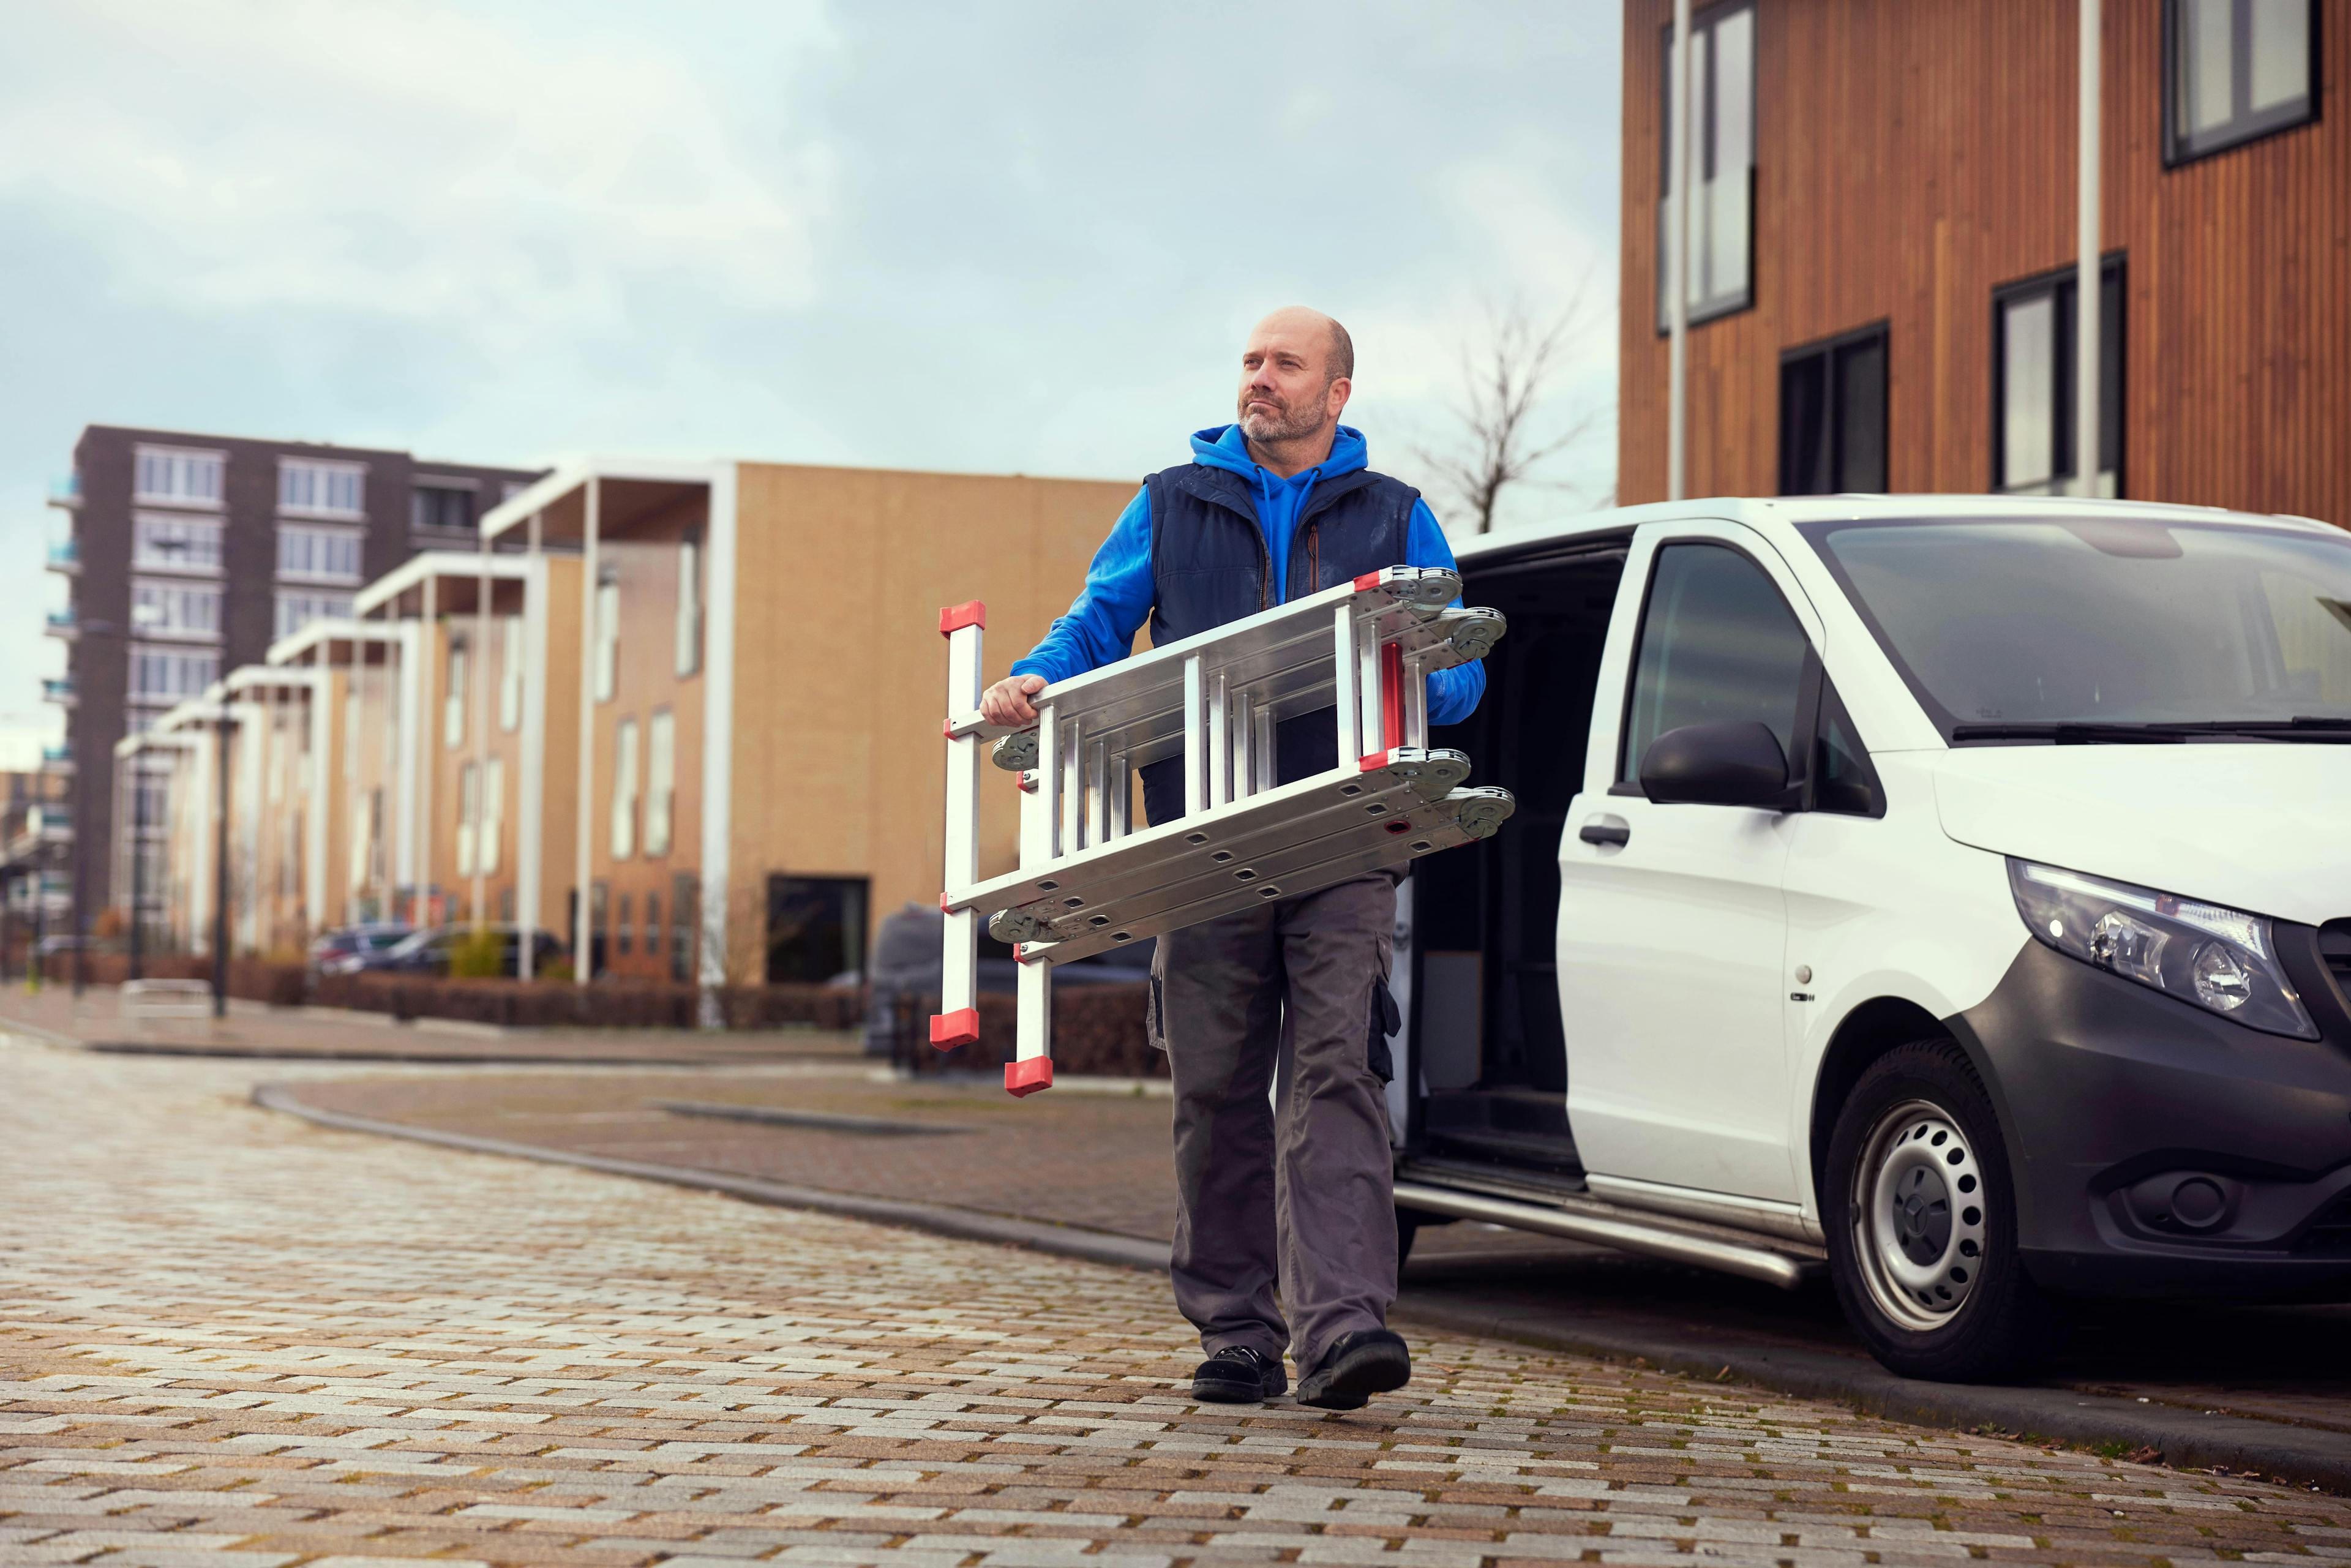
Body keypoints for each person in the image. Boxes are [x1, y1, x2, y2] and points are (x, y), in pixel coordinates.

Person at [980, 307, 1486, 1410]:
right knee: (1214, 1087)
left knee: (1335, 1072)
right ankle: (1239, 1331)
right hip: (1202, 846)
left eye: (1284, 365)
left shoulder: (1394, 514)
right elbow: (1096, 626)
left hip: (1346, 838)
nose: (1260, 379)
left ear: (1336, 392)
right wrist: (1029, 679)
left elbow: (1459, 680)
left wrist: (1419, 669)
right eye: (1251, 362)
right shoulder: (1173, 501)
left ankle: (1344, 1324)